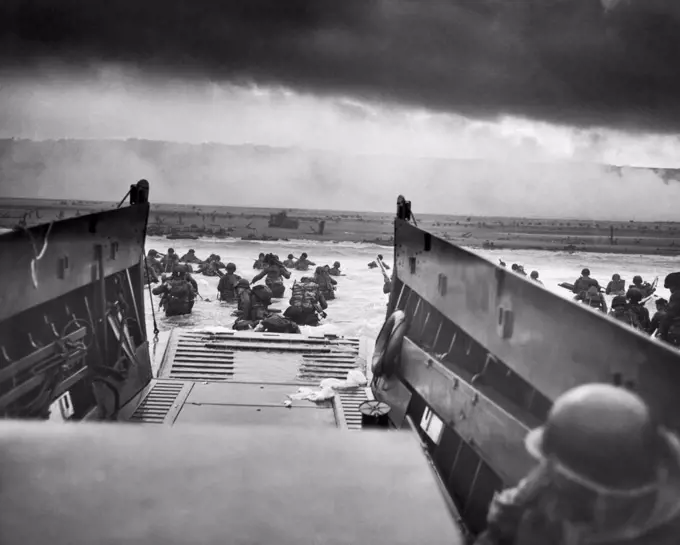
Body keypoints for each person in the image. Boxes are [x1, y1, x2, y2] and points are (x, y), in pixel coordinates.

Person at [474, 383, 680, 545]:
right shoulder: (554, 475)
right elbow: (506, 518)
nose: (556, 509)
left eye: (576, 498)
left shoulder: (663, 533)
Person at [659, 272, 680, 347]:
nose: (670, 290)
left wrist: (662, 334)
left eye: (670, 287)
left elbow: (669, 315)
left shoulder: (676, 295)